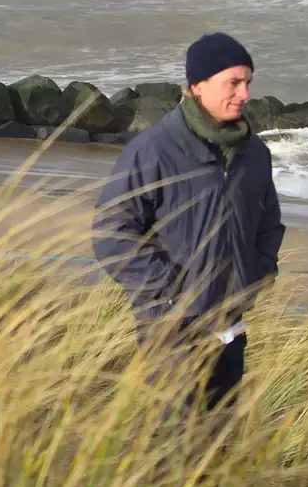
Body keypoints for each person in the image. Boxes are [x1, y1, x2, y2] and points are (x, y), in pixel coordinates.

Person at [93, 32, 284, 410]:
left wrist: (257, 277)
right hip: (169, 329)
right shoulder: (155, 150)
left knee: (217, 447)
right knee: (173, 447)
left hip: (231, 327)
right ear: (198, 86)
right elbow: (111, 234)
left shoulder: (254, 153)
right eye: (233, 82)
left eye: (248, 82)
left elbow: (269, 225)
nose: (244, 94)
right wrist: (172, 293)